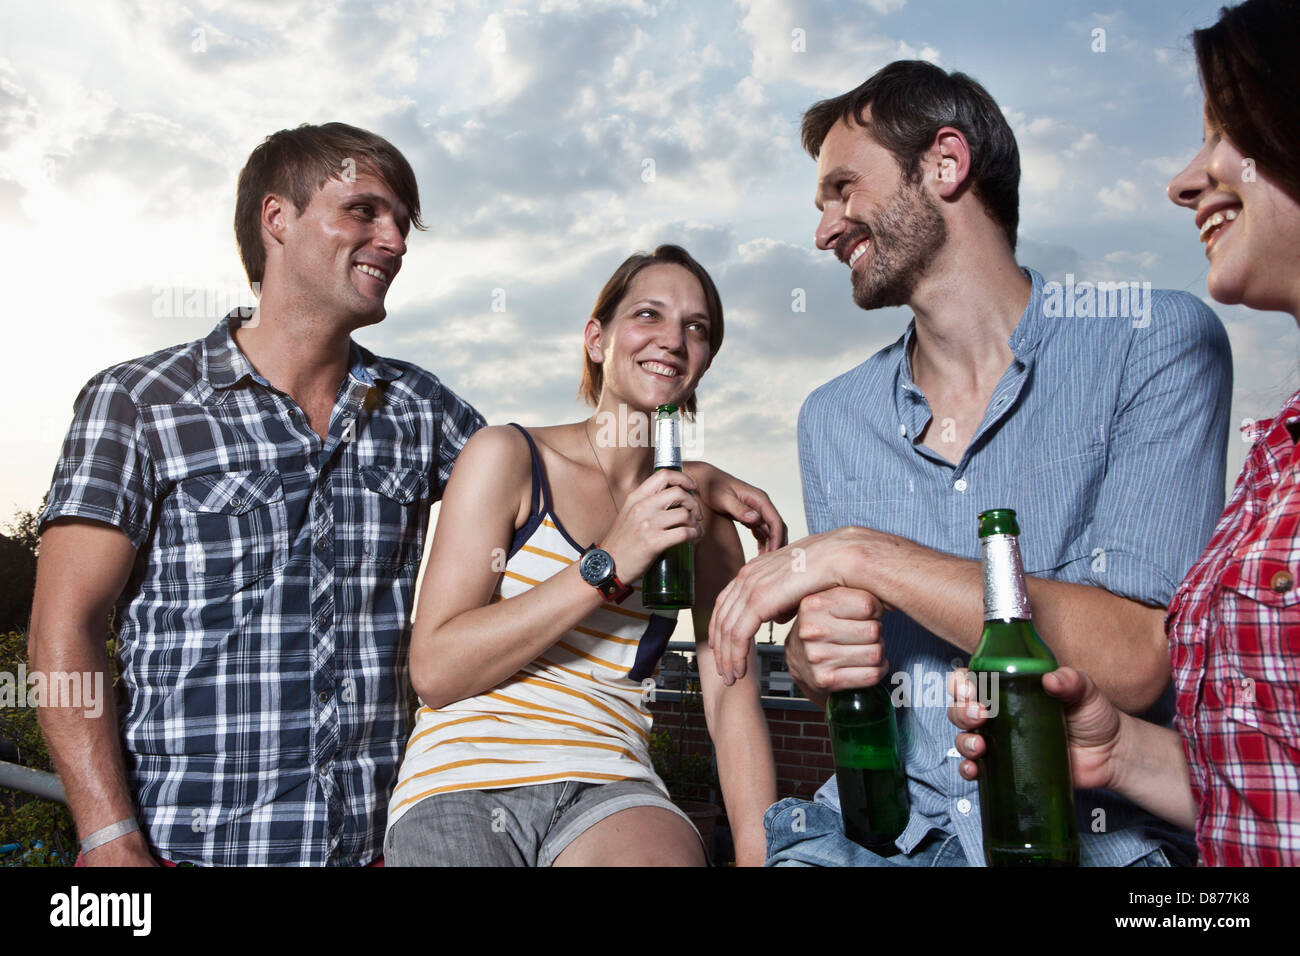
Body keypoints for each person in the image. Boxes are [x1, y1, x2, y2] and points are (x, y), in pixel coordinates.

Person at [27, 125, 784, 867]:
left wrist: (697, 478)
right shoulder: (139, 402)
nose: (395, 239)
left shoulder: (420, 411)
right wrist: (105, 834)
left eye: (401, 222)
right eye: (365, 211)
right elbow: (65, 630)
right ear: (276, 218)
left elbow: (573, 469)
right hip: (192, 842)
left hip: (369, 842)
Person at [708, 60, 1233, 867]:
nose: (825, 229)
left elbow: (1132, 662)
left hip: (1088, 843)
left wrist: (862, 552)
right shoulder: (833, 418)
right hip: (873, 845)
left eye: (844, 189)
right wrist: (820, 662)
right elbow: (855, 677)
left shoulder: (1153, 343)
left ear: (946, 163)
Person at [952, 0, 1300, 867]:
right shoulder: (1275, 456)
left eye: (1229, 131)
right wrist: (1121, 753)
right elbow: (1271, 792)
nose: (1186, 180)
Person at [384, 245, 777, 866]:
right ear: (597, 339)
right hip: (463, 777)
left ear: (703, 360)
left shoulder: (702, 520)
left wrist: (762, 859)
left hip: (611, 785)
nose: (673, 339)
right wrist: (608, 562)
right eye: (648, 315)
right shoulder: (507, 458)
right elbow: (435, 671)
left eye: (696, 328)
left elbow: (731, 697)